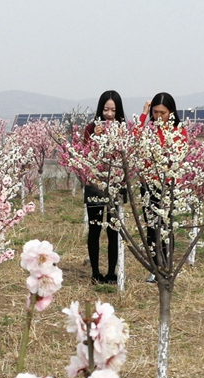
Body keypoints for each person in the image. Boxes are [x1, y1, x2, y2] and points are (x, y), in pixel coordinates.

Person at [138, 92, 187, 283]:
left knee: (166, 227)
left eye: (163, 113)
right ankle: (154, 267)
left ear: (171, 113)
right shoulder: (148, 130)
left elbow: (177, 158)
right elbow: (134, 141)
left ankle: (166, 266)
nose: (159, 117)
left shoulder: (178, 132)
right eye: (155, 112)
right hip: (148, 184)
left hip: (167, 186)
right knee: (151, 226)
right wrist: (143, 115)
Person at [83, 90, 126, 284]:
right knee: (95, 229)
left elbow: (125, 155)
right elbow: (84, 156)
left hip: (116, 184)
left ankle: (111, 272)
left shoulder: (123, 129)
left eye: (113, 110)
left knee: (113, 229)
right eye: (105, 109)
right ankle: (95, 272)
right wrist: (95, 140)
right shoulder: (90, 128)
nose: (109, 114)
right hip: (95, 184)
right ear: (100, 109)